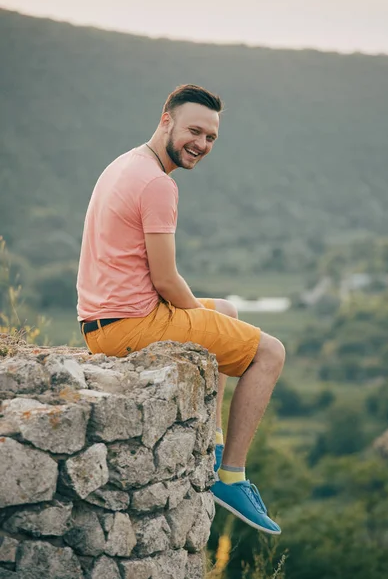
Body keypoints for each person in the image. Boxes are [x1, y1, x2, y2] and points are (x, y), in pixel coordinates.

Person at [77, 84, 285, 534]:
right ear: (166, 119)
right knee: (270, 353)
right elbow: (167, 280)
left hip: (101, 321)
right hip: (129, 326)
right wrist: (198, 317)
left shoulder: (126, 163)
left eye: (211, 137)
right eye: (195, 130)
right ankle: (232, 477)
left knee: (226, 310)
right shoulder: (157, 183)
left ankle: (209, 447)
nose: (202, 144)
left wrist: (209, 317)